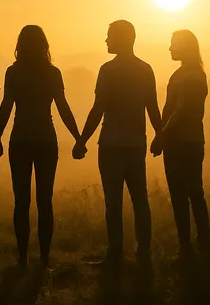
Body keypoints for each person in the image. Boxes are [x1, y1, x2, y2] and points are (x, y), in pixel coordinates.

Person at [0, 25, 82, 269]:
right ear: (44, 45)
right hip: (45, 140)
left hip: (20, 139)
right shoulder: (52, 73)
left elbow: (6, 106)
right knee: (45, 200)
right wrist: (78, 137)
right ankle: (44, 257)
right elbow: (62, 107)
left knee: (21, 201)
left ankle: (23, 257)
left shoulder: (14, 72)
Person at [74, 20, 162, 267]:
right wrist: (160, 134)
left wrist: (82, 141)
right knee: (140, 199)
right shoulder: (145, 69)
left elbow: (98, 108)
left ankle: (115, 254)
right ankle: (143, 252)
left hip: (111, 144)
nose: (106, 41)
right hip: (136, 144)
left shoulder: (108, 70)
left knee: (113, 202)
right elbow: (152, 107)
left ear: (123, 39)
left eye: (110, 36)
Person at [150, 30, 210, 263]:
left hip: (181, 143)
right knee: (194, 193)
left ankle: (189, 247)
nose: (170, 48)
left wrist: (162, 136)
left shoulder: (190, 76)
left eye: (174, 44)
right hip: (190, 141)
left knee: (183, 195)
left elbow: (181, 110)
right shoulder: (189, 74)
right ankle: (199, 244)